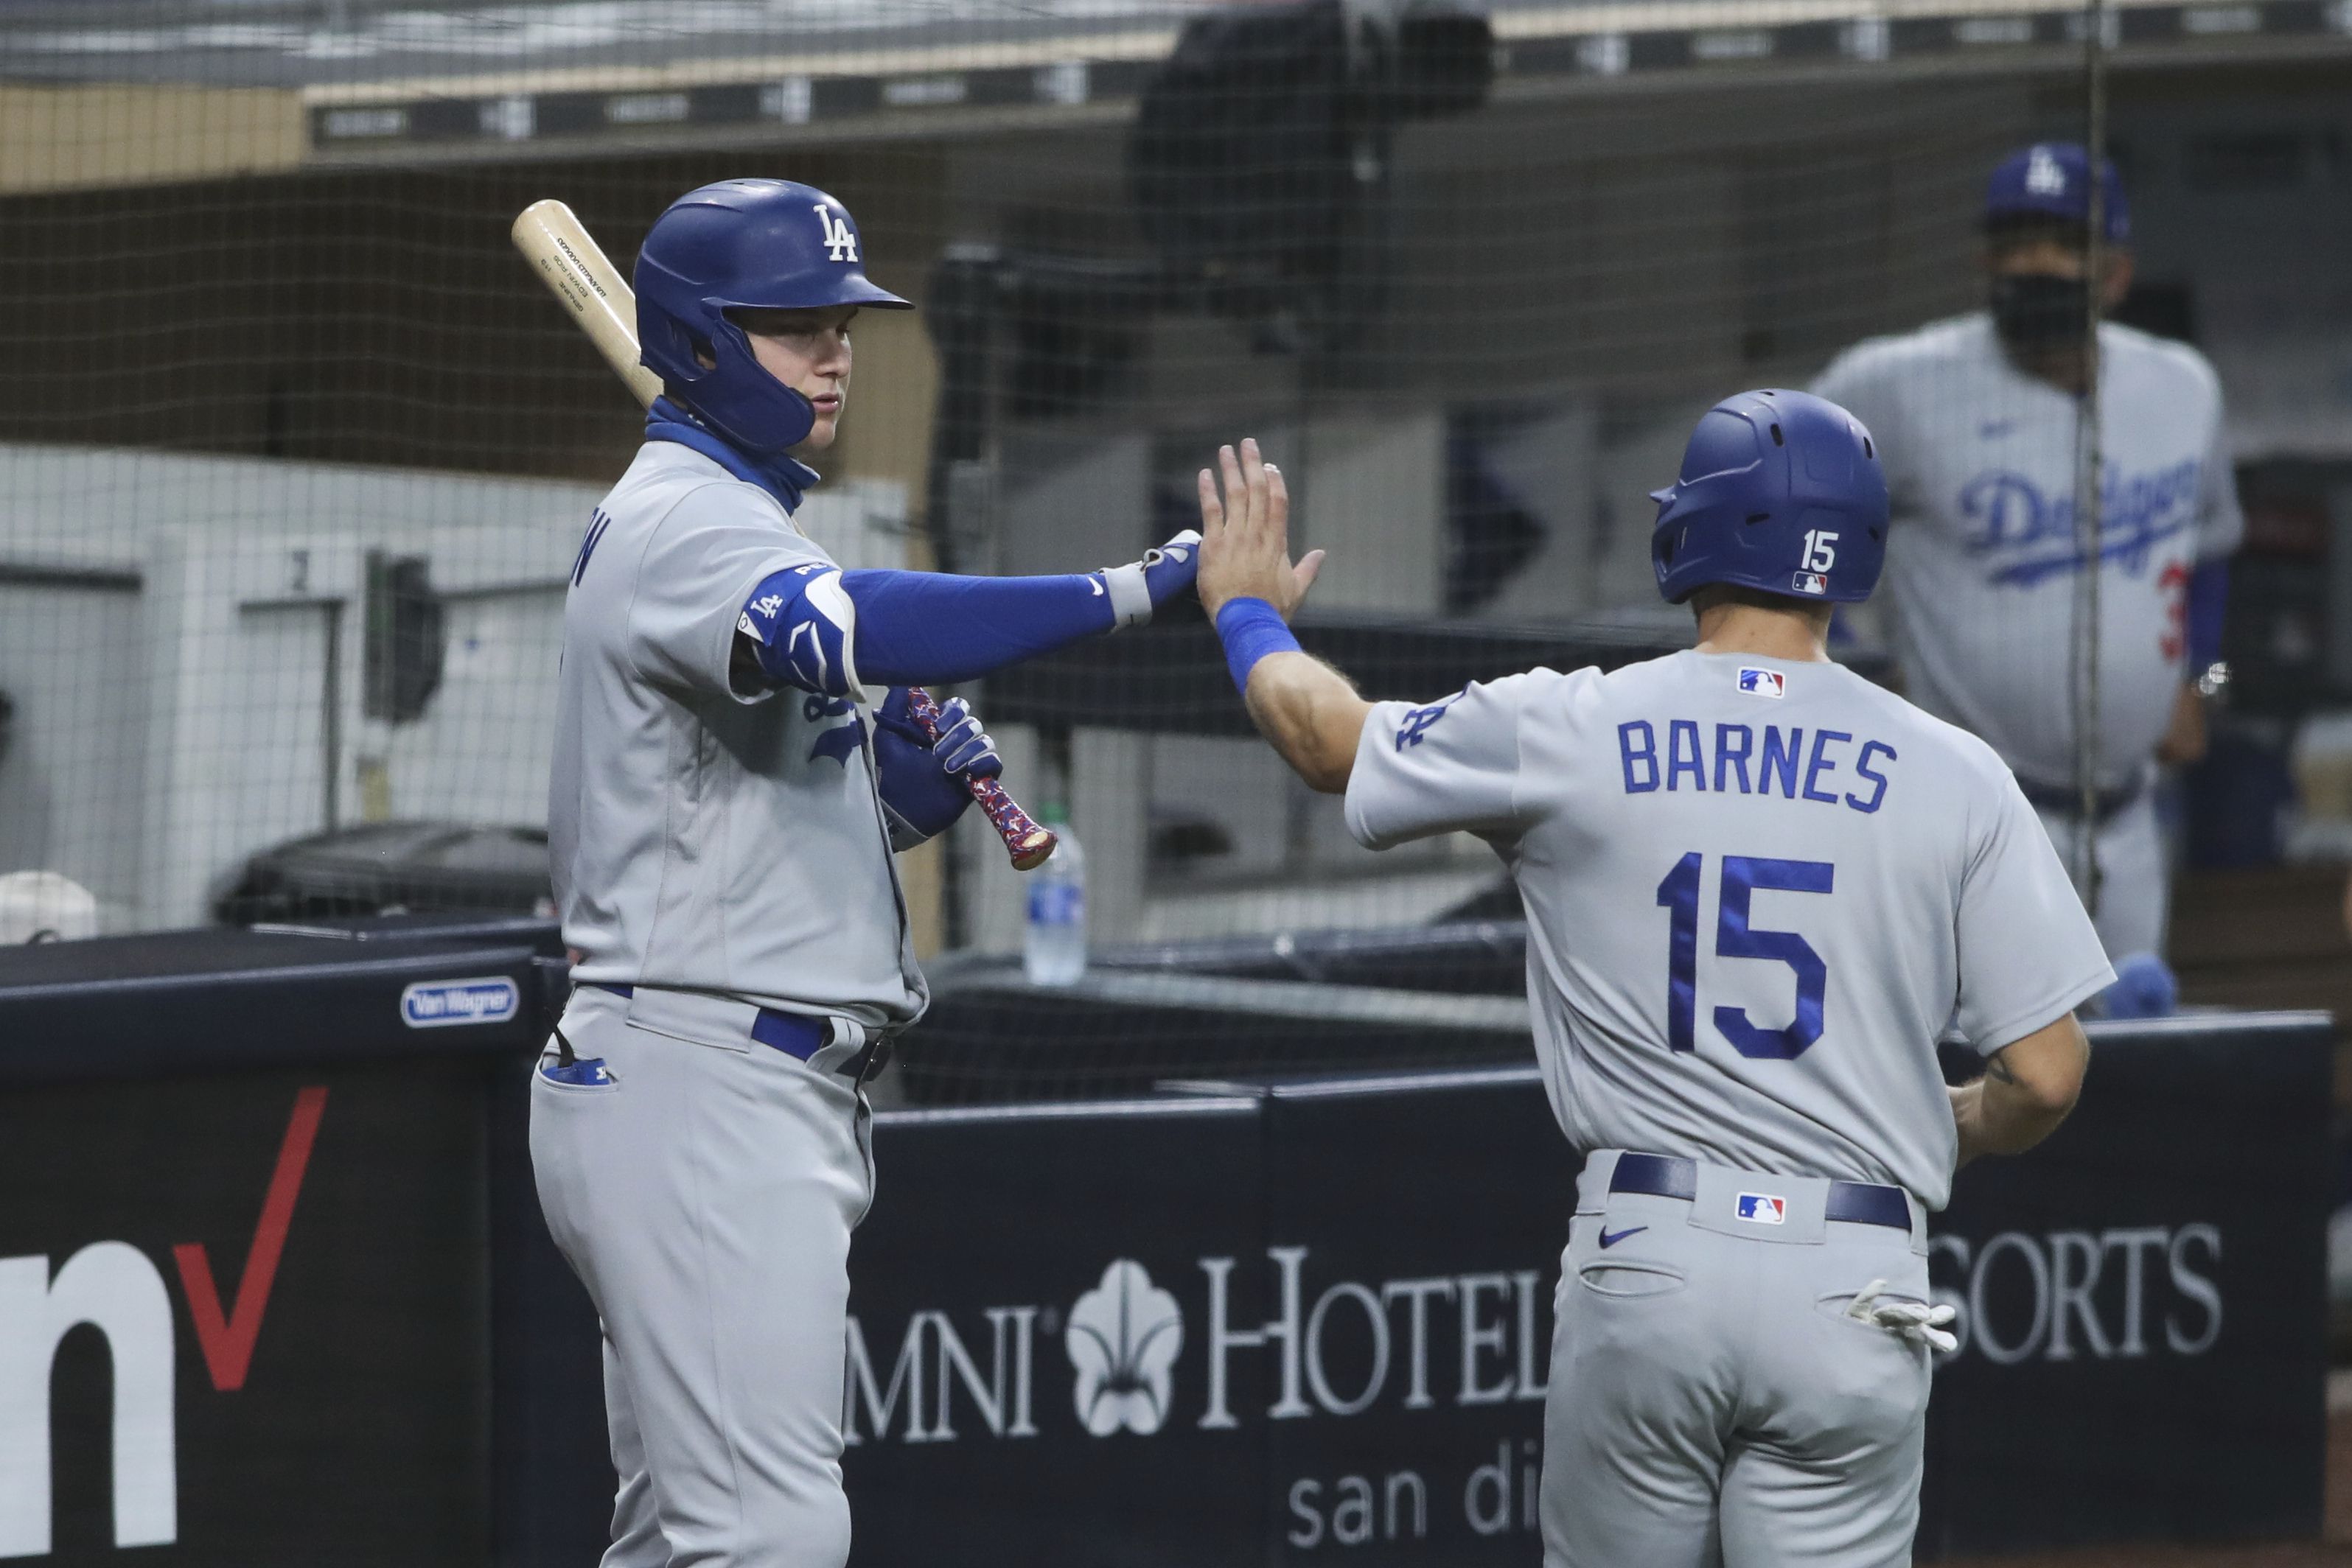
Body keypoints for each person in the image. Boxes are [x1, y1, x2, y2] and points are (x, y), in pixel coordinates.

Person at [1196, 396, 2108, 1565]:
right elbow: (2045, 1073)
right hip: (1855, 1270)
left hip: (1650, 1257)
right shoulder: (1958, 772)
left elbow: (1323, 740)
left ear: (1697, 529)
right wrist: (1947, 1130)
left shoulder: (1568, 726)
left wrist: (1247, 618)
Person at [533, 178, 1201, 1568]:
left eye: (840, 323)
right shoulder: (687, 523)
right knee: (769, 1538)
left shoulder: (732, 518)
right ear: (705, 341)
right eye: (795, 327)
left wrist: (890, 783)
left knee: (683, 1536)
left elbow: (741, 824)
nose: (836, 353)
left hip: (714, 1062)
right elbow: (861, 621)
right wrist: (1131, 588)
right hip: (700, 1076)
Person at [1812, 143, 2242, 1010]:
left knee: (2120, 1091)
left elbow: (2211, 539)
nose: (2030, 264)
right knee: (2000, 1084)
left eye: (2057, 243)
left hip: (2129, 823)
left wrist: (2201, 672)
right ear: (1981, 260)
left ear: (2114, 273)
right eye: (2011, 242)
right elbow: (1776, 495)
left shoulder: (2181, 387)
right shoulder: (1895, 383)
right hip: (1973, 822)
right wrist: (1848, 669)